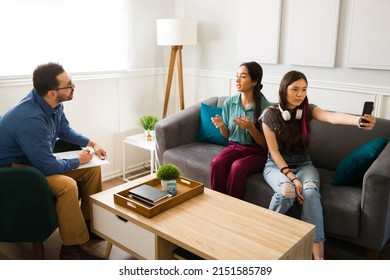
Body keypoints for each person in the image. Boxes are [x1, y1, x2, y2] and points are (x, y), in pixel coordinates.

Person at [260, 70, 376, 260]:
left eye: (304, 89)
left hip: (304, 164)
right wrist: (293, 178)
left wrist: (358, 121)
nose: (300, 94)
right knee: (287, 192)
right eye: (295, 89)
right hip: (276, 166)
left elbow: (331, 117)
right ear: (284, 89)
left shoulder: (307, 110)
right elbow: (274, 152)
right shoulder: (269, 116)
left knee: (311, 193)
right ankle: (265, 237)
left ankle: (318, 259)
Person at [0, 62, 107, 260]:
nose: (73, 86)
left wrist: (92, 143)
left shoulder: (53, 104)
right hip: (14, 173)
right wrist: (78, 160)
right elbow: (47, 166)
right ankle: (70, 250)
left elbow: (65, 131)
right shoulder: (30, 118)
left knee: (92, 169)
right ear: (51, 92)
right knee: (67, 186)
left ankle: (90, 225)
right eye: (69, 85)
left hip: (33, 160)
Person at [210, 61, 270, 198]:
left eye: (243, 76)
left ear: (254, 81)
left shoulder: (265, 108)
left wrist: (251, 128)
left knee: (238, 167)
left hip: (258, 153)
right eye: (237, 75)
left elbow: (265, 144)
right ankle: (217, 202)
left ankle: (232, 207)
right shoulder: (229, 103)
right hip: (234, 147)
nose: (237, 80)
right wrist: (221, 126)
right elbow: (227, 135)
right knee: (216, 163)